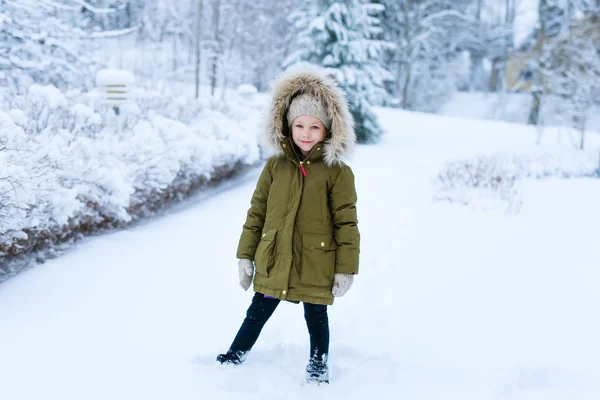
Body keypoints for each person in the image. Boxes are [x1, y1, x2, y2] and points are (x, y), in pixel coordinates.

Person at [217, 64, 360, 384]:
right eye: (300, 126)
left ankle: (318, 365)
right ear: (287, 126)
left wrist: (346, 268)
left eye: (314, 127)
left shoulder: (337, 171)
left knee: (316, 316)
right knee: (257, 311)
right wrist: (245, 255)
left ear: (328, 129)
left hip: (315, 261)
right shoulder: (275, 166)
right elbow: (256, 213)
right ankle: (234, 355)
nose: (306, 134)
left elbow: (347, 224)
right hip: (275, 257)